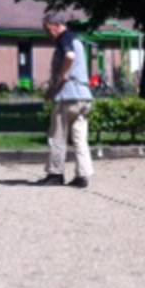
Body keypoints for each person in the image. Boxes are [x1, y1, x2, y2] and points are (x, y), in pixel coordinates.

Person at [36, 11, 94, 188]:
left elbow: (69, 57)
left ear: (56, 25)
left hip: (68, 97)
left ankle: (55, 174)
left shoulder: (64, 38)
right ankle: (82, 176)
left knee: (57, 136)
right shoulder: (77, 40)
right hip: (85, 97)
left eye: (47, 29)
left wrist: (63, 74)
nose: (47, 33)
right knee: (79, 138)